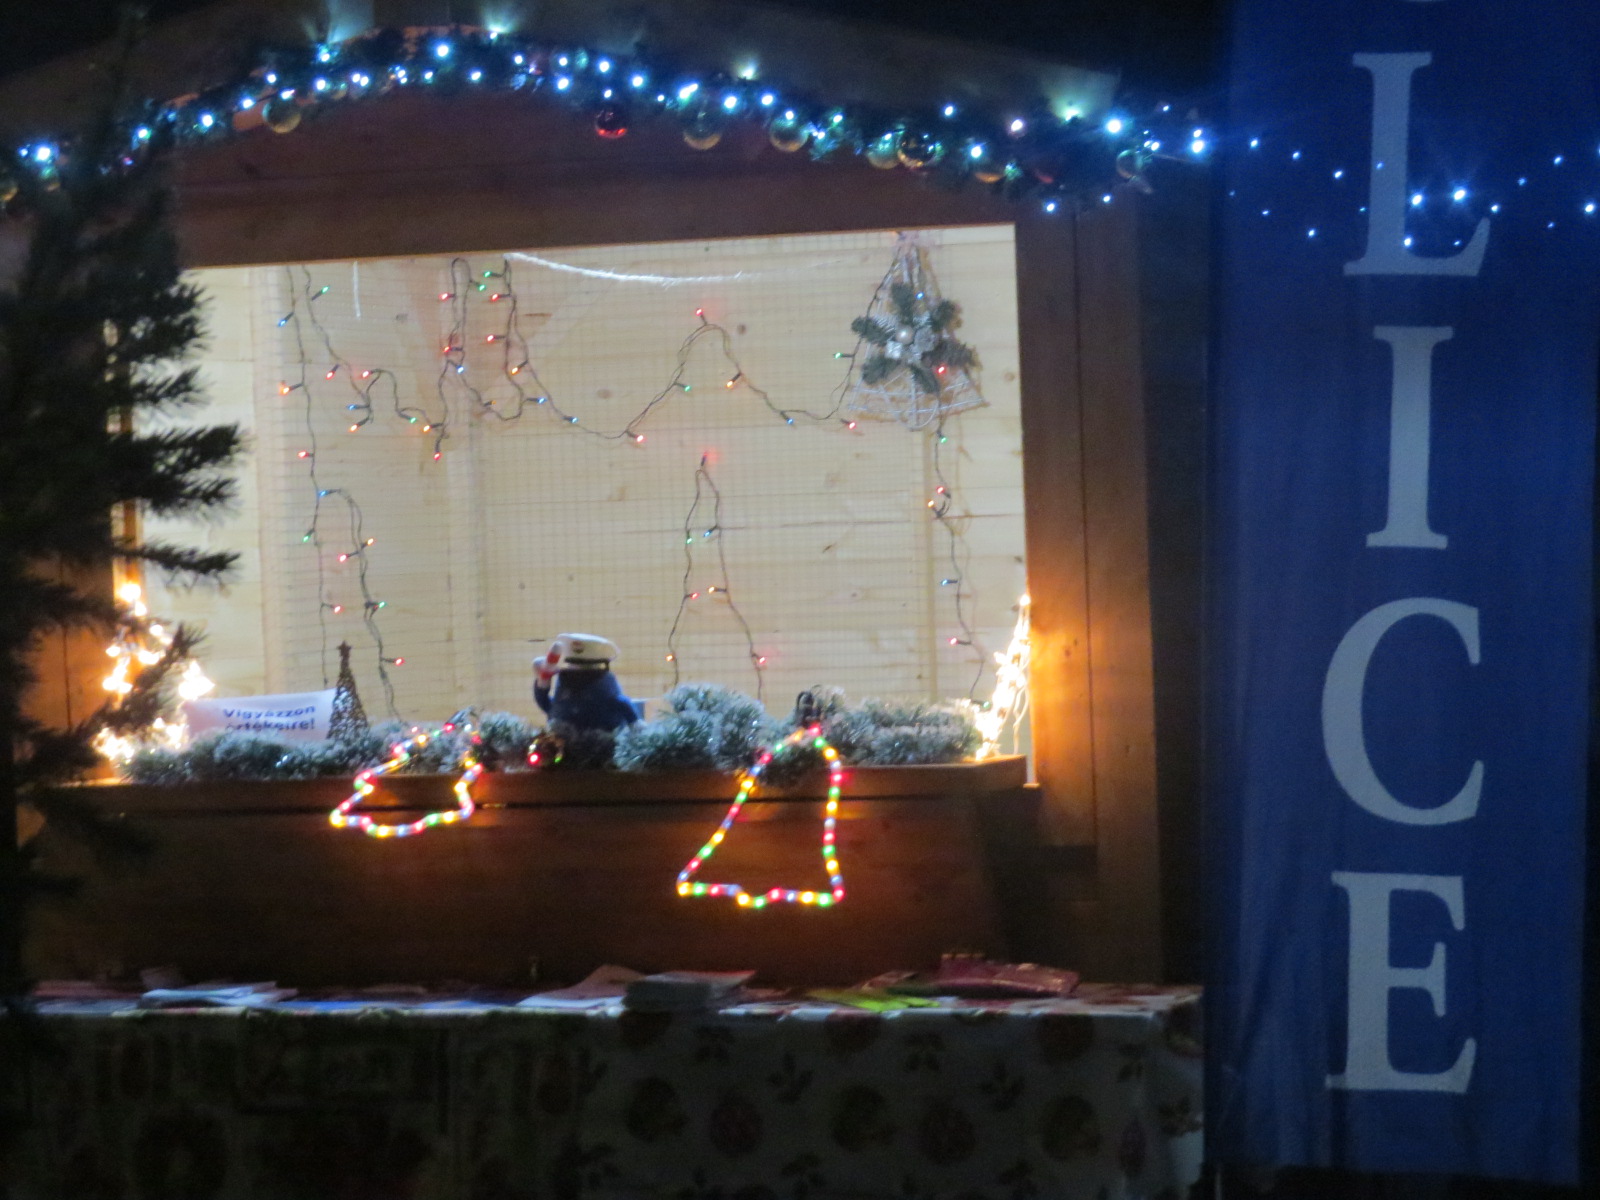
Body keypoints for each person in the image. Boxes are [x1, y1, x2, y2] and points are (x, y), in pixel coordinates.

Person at [532, 633, 641, 732]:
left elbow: (620, 702)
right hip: (563, 740)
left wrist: (542, 685)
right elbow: (621, 702)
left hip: (602, 740)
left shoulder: (603, 685)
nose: (576, 673)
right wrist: (542, 683)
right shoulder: (564, 681)